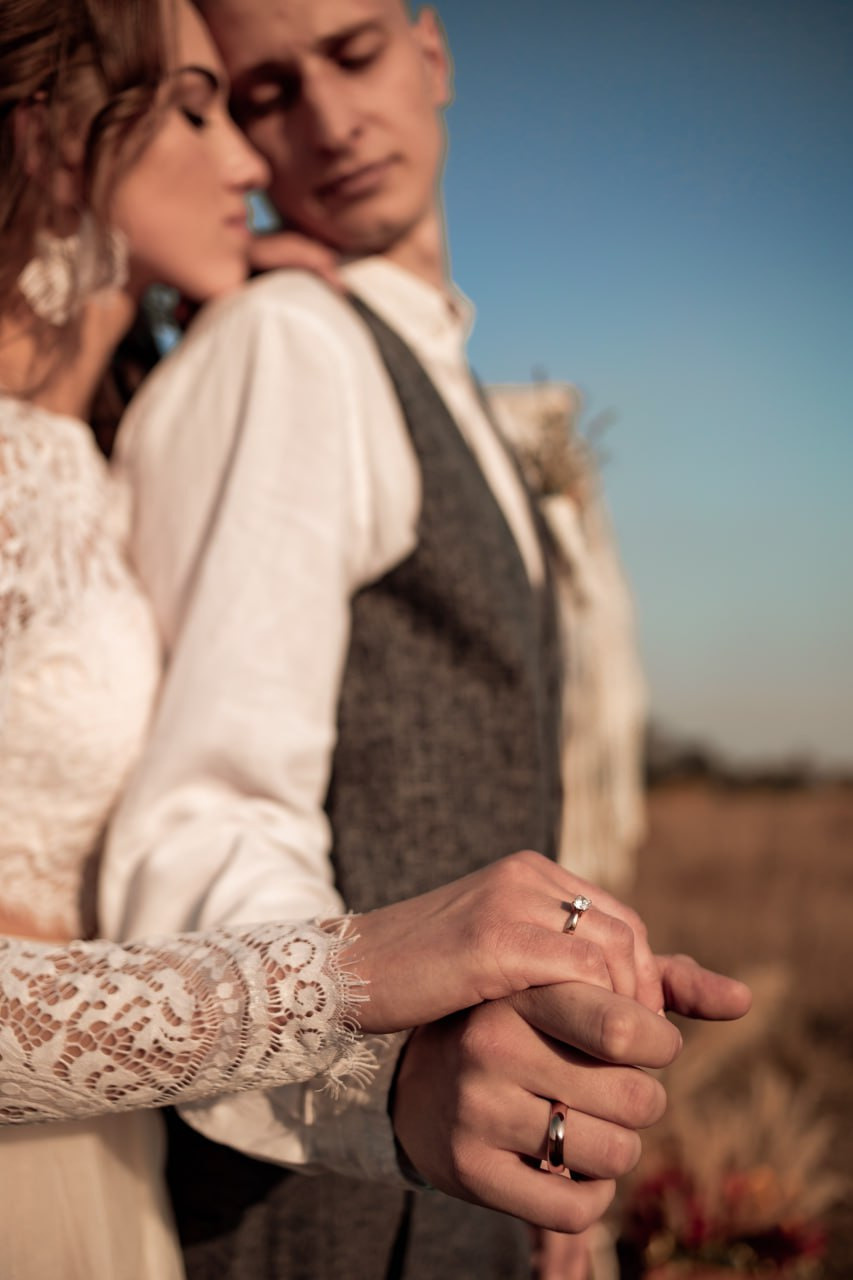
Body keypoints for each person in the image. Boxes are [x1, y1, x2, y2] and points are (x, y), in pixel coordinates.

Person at [0, 2, 749, 1277]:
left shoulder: (423, 373)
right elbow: (208, 814)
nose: (323, 127)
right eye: (253, 95)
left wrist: (554, 1098)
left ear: (433, 51)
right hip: (315, 1211)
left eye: (352, 56)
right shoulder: (288, 346)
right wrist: (383, 1064)